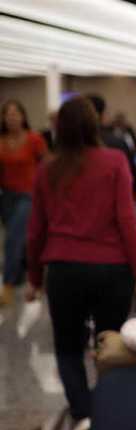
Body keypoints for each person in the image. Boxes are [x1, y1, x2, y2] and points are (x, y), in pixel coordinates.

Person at [26, 97, 136, 430]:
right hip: (112, 270)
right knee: (110, 343)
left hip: (63, 269)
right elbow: (127, 219)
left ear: (58, 128)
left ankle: (83, 412)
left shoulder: (47, 169)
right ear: (94, 125)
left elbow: (36, 230)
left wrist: (34, 278)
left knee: (68, 346)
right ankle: (108, 408)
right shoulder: (114, 161)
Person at [0, 100, 47, 307]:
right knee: (21, 240)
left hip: (29, 196)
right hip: (6, 197)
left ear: (23, 116)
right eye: (7, 114)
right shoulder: (1, 141)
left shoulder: (34, 139)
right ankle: (28, 279)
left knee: (12, 238)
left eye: (15, 113)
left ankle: (8, 284)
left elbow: (47, 166)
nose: (11, 118)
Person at [87, 95, 136, 198]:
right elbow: (131, 179)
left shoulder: (69, 146)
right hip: (110, 200)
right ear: (103, 115)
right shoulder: (117, 144)